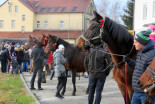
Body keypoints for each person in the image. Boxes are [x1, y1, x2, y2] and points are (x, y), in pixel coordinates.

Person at [124, 29, 155, 104]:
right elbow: (138, 67)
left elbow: (153, 77)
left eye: (136, 42)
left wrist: (149, 96)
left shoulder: (152, 55)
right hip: (136, 91)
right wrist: (128, 60)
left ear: (142, 43)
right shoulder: (140, 52)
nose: (134, 44)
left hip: (146, 94)